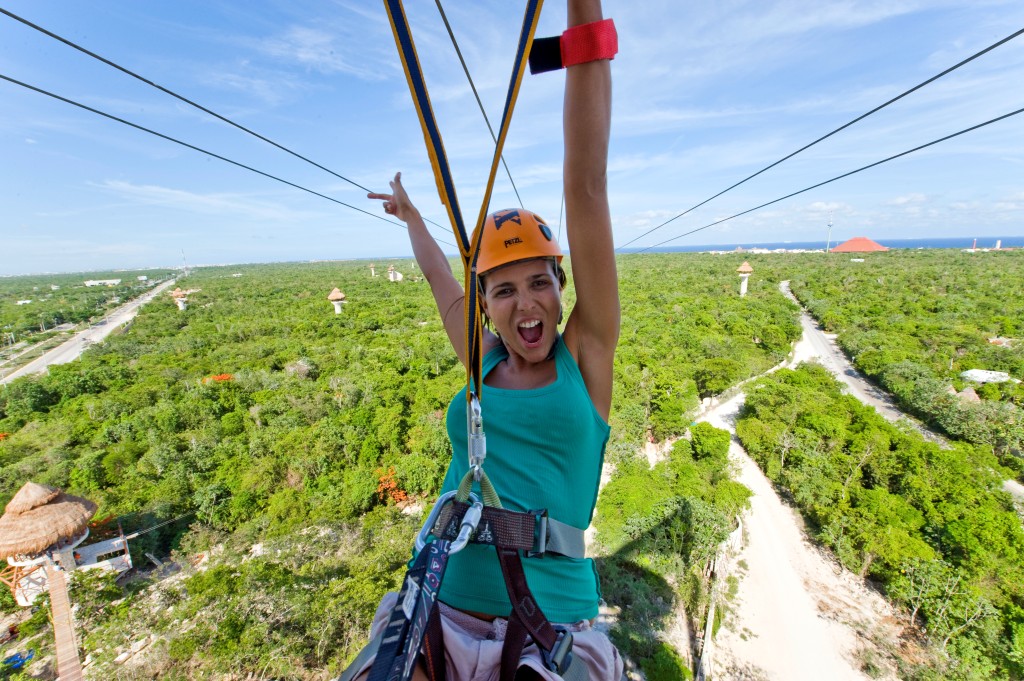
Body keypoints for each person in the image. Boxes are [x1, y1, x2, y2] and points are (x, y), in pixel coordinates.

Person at [361, 0, 620, 678]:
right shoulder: (482, 360)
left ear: (562, 288)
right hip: (437, 609)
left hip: (550, 622)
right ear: (488, 307)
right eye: (504, 290)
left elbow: (586, 186)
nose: (526, 302)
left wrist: (583, 24)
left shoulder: (584, 357)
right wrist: (415, 217)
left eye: (539, 282)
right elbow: (440, 277)